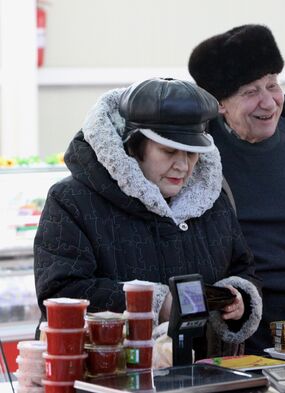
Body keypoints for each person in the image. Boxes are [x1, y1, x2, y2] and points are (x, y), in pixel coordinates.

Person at [34, 78, 262, 359]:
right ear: (133, 146)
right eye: (168, 151)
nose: (182, 165)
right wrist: (154, 303)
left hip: (201, 373)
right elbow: (60, 292)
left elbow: (243, 267)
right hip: (107, 374)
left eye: (192, 153)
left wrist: (238, 299)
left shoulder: (212, 200)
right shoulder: (72, 199)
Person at [188, 24, 285, 355]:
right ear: (219, 104)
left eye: (272, 85)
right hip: (225, 339)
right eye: (250, 92)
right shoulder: (194, 154)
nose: (269, 103)